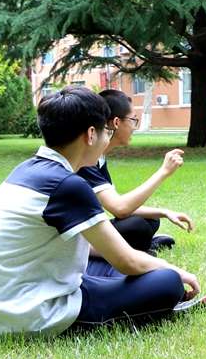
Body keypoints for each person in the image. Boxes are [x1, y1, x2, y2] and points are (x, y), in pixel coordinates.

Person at [0, 86, 206, 336]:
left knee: (115, 268)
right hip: (28, 313)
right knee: (167, 281)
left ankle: (156, 302)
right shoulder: (67, 185)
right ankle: (162, 307)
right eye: (106, 131)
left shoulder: (27, 170)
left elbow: (99, 248)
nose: (108, 138)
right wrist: (175, 270)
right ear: (91, 134)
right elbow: (128, 261)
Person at [78, 89, 192, 256]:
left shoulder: (98, 158)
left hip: (90, 230)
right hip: (80, 239)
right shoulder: (86, 162)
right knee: (136, 226)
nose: (134, 127)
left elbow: (118, 205)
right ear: (116, 122)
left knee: (150, 219)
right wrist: (163, 172)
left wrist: (165, 213)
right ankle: (133, 251)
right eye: (133, 120)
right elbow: (120, 208)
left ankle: (138, 247)